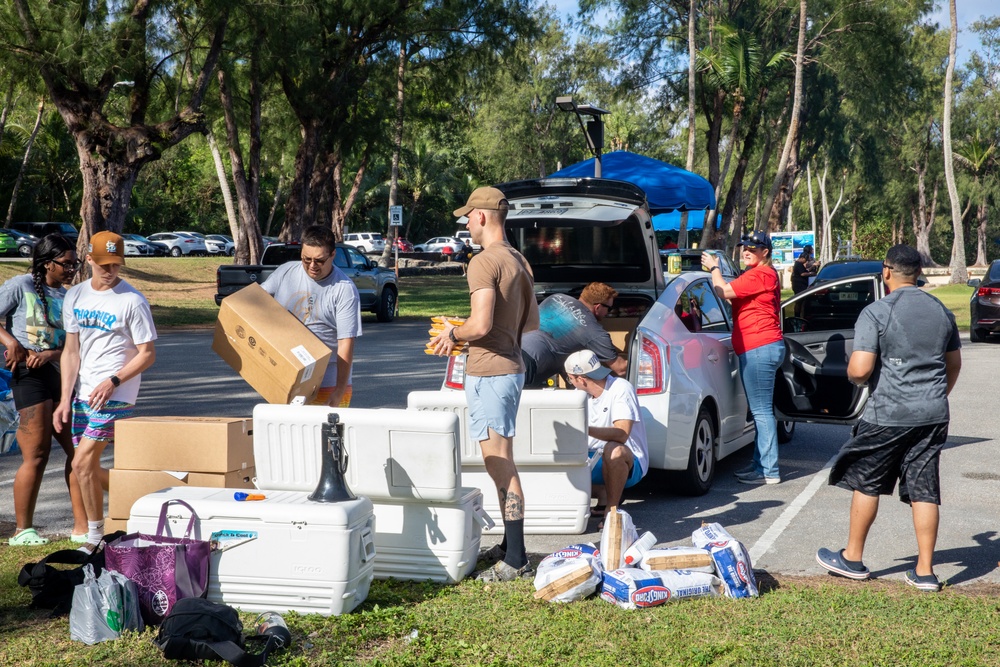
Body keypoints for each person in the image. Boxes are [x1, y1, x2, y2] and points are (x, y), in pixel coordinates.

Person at [816, 244, 961, 593]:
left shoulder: (877, 311)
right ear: (918, 273)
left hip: (889, 414)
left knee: (867, 481)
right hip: (933, 414)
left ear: (886, 271)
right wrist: (934, 396)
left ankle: (852, 558)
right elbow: (953, 364)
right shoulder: (941, 311)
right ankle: (924, 572)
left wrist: (853, 376)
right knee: (925, 487)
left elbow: (861, 368)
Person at [432, 186, 539, 583]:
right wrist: (487, 337)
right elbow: (530, 324)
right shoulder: (519, 260)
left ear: (481, 216)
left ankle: (516, 560)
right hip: (507, 366)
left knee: (499, 463)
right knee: (499, 461)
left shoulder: (482, 262)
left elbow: (479, 325)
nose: (466, 226)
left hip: (491, 374)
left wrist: (454, 334)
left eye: (467, 218)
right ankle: (511, 548)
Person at [54, 231, 157, 553]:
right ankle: (143, 496)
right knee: (84, 467)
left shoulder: (132, 301)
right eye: (103, 264)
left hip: (116, 394)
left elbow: (147, 353)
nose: (110, 271)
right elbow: (71, 351)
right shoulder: (76, 296)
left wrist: (114, 380)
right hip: (83, 393)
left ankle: (94, 538)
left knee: (82, 463)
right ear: (89, 260)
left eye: (115, 264)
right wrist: (64, 399)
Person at [1, 234, 88, 546]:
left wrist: (51, 354)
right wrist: (11, 342)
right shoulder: (20, 285)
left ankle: (82, 527)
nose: (71, 270)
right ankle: (22, 530)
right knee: (36, 454)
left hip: (61, 376)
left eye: (75, 264)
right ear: (47, 262)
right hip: (29, 376)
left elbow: (72, 342)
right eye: (66, 264)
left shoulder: (70, 296)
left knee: (80, 452)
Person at [702, 230, 784, 485]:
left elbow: (724, 292)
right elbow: (729, 293)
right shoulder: (757, 274)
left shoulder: (761, 274)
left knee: (761, 412)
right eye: (744, 248)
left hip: (759, 346)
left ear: (765, 253)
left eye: (753, 248)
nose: (746, 251)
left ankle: (769, 470)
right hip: (759, 346)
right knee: (761, 411)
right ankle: (760, 465)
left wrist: (714, 267)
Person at [261, 225, 362, 407]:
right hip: (284, 379)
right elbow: (255, 302)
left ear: (333, 255)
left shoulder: (344, 290)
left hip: (326, 386)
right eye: (306, 259)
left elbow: (346, 343)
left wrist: (339, 391)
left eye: (320, 260)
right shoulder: (286, 272)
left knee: (322, 436)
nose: (312, 266)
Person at [564, 349, 648, 524]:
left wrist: (584, 429)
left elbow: (622, 434)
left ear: (581, 379)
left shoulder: (620, 388)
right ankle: (600, 496)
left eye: (570, 378)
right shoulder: (578, 396)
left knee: (613, 450)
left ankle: (611, 512)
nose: (570, 383)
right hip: (591, 457)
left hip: (629, 460)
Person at [520, 282, 627, 388]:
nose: (608, 313)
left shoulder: (556, 297)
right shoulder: (593, 332)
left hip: (511, 348)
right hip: (529, 364)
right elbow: (620, 368)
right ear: (598, 307)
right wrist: (642, 364)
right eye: (609, 308)